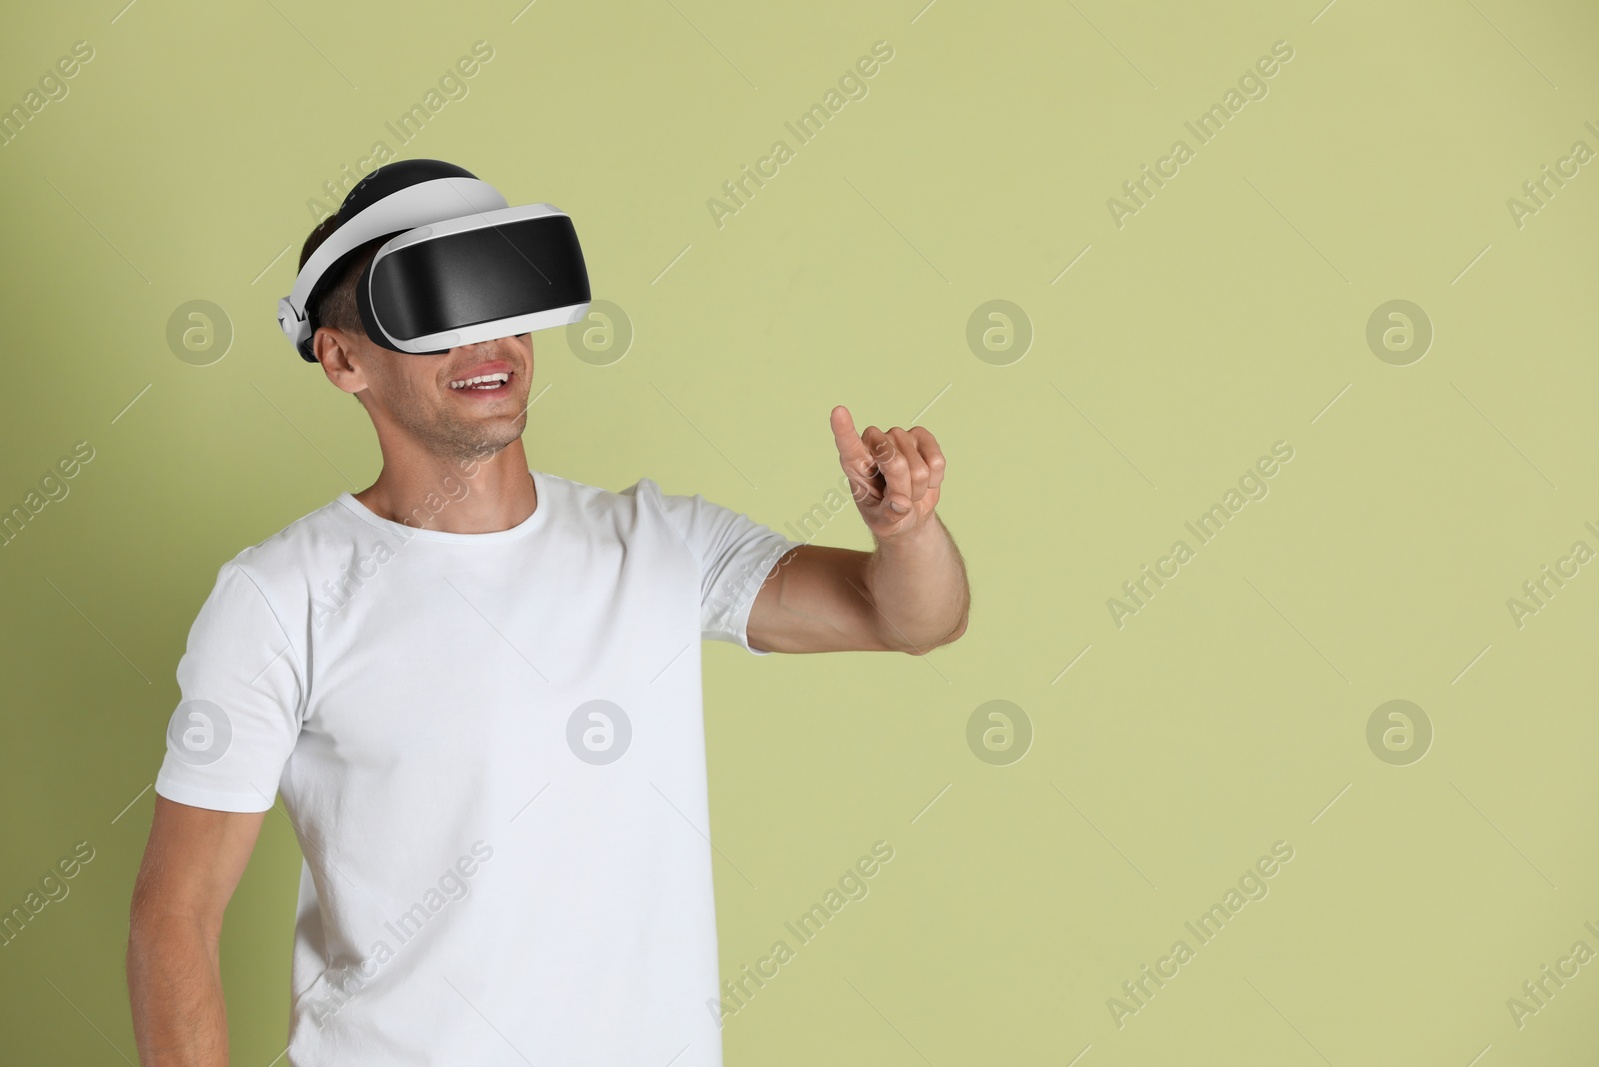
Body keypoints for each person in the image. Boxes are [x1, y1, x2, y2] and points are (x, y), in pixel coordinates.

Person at [126, 160, 969, 1067]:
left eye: (501, 297)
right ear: (342, 358)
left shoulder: (661, 546)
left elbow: (912, 619)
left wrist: (907, 531)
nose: (488, 343)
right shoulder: (279, 595)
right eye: (438, 307)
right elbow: (175, 918)